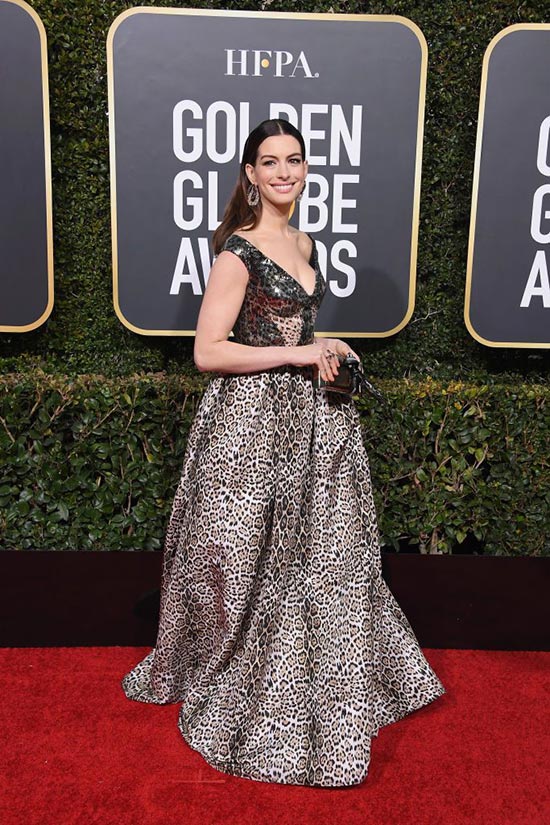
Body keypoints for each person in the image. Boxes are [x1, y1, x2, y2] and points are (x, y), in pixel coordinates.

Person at [121, 118, 446, 788]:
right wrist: (299, 351)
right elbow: (208, 352)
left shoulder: (302, 240)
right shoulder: (237, 253)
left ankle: (312, 667)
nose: (283, 173)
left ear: (305, 168)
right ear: (249, 174)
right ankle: (226, 667)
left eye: (294, 160)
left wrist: (328, 351)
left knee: (308, 553)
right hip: (246, 422)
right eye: (269, 162)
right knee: (239, 554)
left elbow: (296, 327)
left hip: (307, 419)